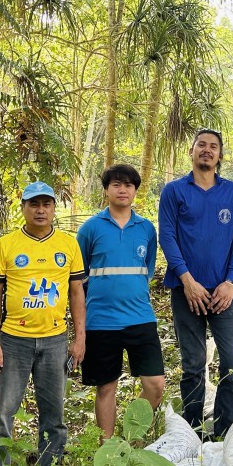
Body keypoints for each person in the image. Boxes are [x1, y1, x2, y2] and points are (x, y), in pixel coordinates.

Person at [0, 182, 87, 466]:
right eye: (34, 204)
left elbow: (77, 293)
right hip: (14, 339)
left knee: (54, 414)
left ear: (55, 208)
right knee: (3, 411)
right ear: (23, 208)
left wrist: (79, 339)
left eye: (46, 204)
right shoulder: (6, 245)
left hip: (55, 340)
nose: (40, 210)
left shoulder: (68, 245)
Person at [158, 128, 233, 438]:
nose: (207, 150)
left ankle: (226, 432)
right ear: (191, 151)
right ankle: (193, 432)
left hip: (225, 292)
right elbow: (167, 236)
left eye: (213, 146)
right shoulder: (174, 191)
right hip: (187, 291)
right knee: (193, 365)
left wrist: (230, 282)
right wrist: (187, 280)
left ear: (220, 155)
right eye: (201, 145)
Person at [76, 164, 164, 438]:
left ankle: (131, 438)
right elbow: (77, 277)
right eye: (116, 184)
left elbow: (146, 269)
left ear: (136, 191)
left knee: (155, 384)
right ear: (106, 190)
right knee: (106, 387)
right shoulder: (91, 228)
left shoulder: (146, 229)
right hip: (101, 321)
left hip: (140, 317)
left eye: (128, 185)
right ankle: (108, 451)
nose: (122, 189)